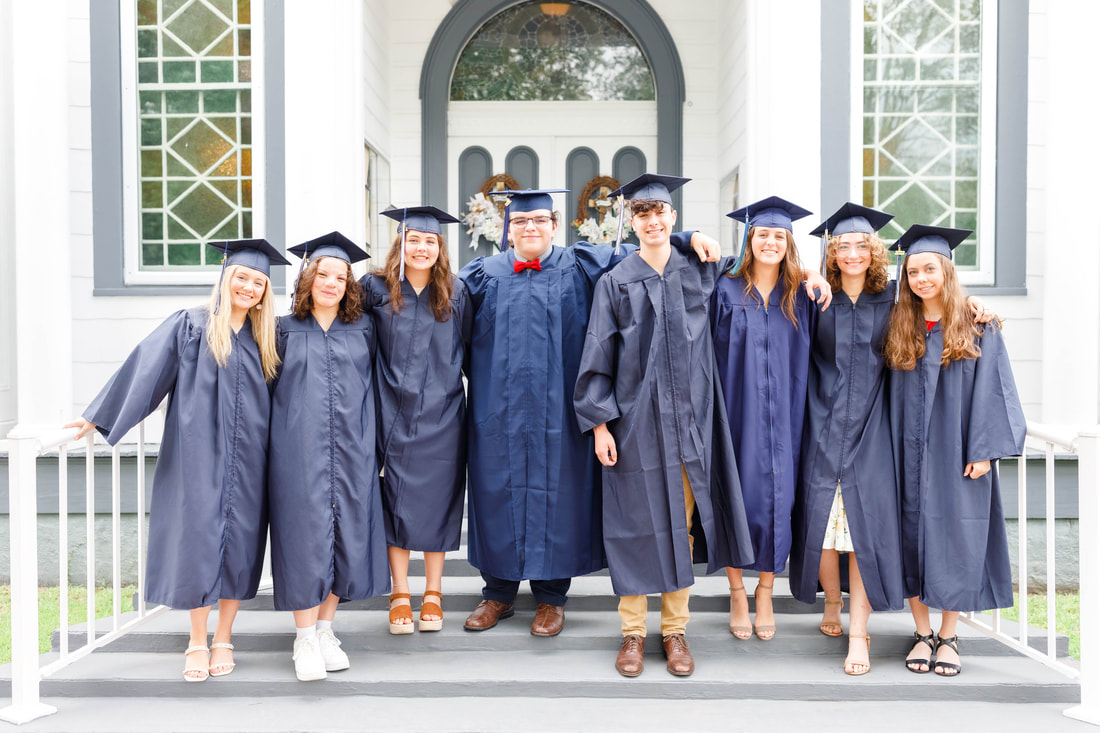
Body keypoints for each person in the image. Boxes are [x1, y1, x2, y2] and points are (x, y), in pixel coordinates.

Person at [458, 188, 712, 637]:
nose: (530, 228)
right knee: (496, 497)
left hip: (561, 415)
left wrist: (687, 236)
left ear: (555, 225)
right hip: (499, 414)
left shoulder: (582, 263)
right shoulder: (481, 274)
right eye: (520, 222)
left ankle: (552, 598)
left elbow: (645, 253)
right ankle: (497, 593)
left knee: (558, 499)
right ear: (507, 229)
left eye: (539, 220)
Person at [66, 239, 289, 682]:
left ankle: (224, 635)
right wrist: (99, 415)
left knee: (241, 546)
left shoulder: (269, 339)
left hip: (251, 460)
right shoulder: (191, 326)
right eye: (241, 277)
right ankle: (196, 638)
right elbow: (145, 371)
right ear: (225, 278)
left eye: (258, 282)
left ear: (266, 292)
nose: (248, 287)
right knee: (197, 541)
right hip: (197, 455)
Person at [574, 173, 756, 678]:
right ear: (629, 221)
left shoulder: (699, 270)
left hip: (690, 423)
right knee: (633, 526)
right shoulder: (615, 280)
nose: (652, 221)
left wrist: (810, 279)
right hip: (634, 425)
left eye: (661, 213)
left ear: (673, 217)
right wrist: (600, 426)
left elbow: (763, 267)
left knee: (680, 527)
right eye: (642, 214)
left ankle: (674, 630)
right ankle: (633, 633)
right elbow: (598, 353)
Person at [885, 224, 1025, 677]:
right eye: (912, 272)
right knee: (910, 537)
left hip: (958, 453)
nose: (921, 278)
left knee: (956, 540)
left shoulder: (978, 325)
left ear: (946, 270)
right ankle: (921, 632)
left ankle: (949, 635)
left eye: (930, 269)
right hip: (906, 452)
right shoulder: (900, 326)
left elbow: (994, 391)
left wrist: (984, 450)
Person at [788, 203, 904, 675]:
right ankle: (830, 601)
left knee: (861, 532)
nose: (852, 253)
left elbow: (940, 299)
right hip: (821, 422)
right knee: (822, 525)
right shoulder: (815, 297)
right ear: (831, 253)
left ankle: (860, 634)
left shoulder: (895, 299)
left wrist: (976, 304)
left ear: (874, 251)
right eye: (842, 246)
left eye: (861, 245)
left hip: (873, 429)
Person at [269, 231, 390, 681]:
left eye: (342, 276)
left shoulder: (363, 328)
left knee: (344, 539)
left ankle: (324, 630)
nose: (333, 283)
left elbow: (377, 386)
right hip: (296, 453)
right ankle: (302, 639)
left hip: (354, 450)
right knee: (304, 542)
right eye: (324, 274)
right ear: (308, 278)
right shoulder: (281, 328)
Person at [710, 196, 817, 642]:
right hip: (736, 415)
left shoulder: (805, 296)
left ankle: (766, 591)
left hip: (789, 420)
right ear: (748, 239)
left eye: (779, 235)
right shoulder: (722, 289)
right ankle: (737, 591)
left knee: (780, 502)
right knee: (740, 499)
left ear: (789, 243)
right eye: (762, 234)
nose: (770, 242)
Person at [362, 206, 471, 634]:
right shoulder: (374, 288)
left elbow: (468, 351)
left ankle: (434, 590)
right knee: (395, 502)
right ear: (401, 244)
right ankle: (400, 592)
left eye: (430, 241)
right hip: (389, 409)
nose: (422, 247)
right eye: (414, 240)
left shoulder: (457, 292)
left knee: (440, 501)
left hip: (444, 414)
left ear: (440, 247)